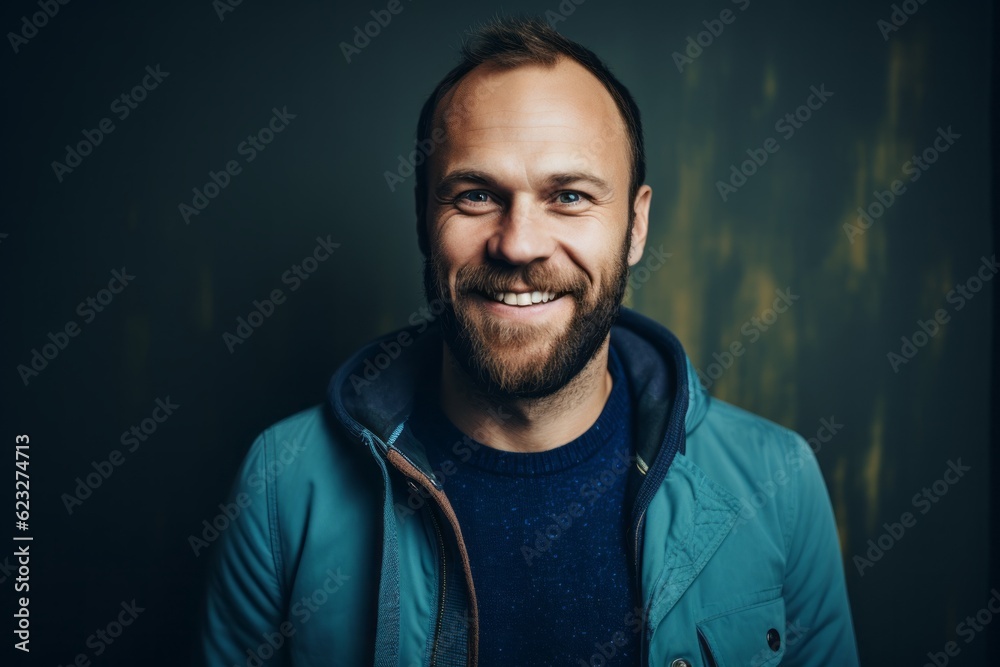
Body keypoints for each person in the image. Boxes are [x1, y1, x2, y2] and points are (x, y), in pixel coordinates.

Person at [198, 16, 860, 667]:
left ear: (636, 225)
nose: (518, 243)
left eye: (569, 196)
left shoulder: (779, 480)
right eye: (477, 194)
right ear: (424, 218)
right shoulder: (283, 482)